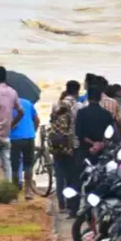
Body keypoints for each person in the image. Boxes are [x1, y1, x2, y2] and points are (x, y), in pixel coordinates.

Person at [70, 86, 115, 215]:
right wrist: (100, 144)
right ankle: (101, 208)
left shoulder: (82, 113)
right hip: (101, 153)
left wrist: (92, 144)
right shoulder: (107, 114)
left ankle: (74, 209)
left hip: (84, 151)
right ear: (100, 98)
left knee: (78, 179)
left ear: (88, 98)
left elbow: (78, 133)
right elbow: (111, 133)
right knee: (102, 180)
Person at [50, 81, 79, 212]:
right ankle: (70, 203)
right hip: (71, 146)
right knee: (71, 176)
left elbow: (51, 121)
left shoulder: (56, 104)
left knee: (59, 174)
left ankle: (61, 203)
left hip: (56, 144)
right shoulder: (78, 106)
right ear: (77, 92)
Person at [9, 94, 39, 200]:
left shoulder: (8, 104)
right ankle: (28, 191)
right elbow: (37, 120)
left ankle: (14, 192)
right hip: (29, 137)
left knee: (14, 165)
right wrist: (32, 132)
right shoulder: (27, 102)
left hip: (14, 138)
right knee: (28, 165)